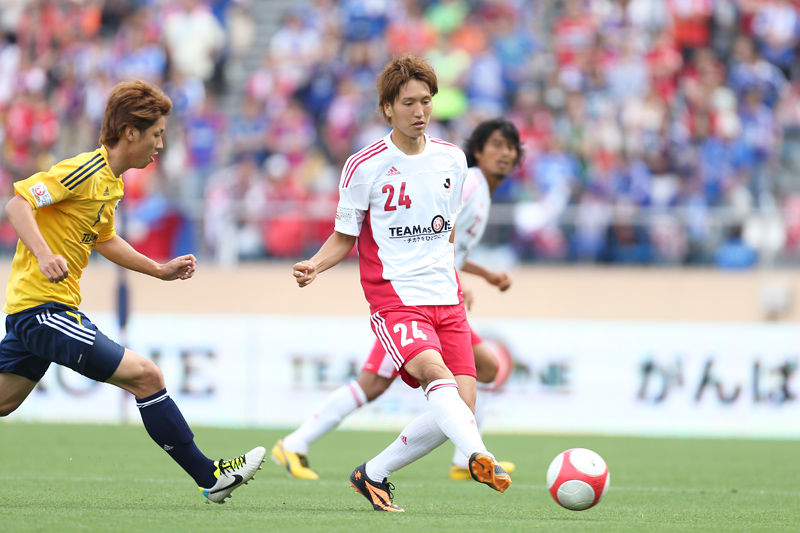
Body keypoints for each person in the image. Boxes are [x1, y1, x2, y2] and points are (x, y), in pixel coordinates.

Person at [0, 79, 265, 504]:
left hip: (37, 310)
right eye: (156, 134)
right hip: (43, 310)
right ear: (129, 132)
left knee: (4, 402)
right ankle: (210, 476)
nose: (160, 144)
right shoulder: (84, 171)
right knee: (147, 376)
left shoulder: (112, 183)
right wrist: (45, 254)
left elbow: (105, 239)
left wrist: (158, 270)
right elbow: (17, 204)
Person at [290, 55, 512, 512]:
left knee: (460, 405)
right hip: (395, 297)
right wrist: (314, 264)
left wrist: (460, 276)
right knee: (434, 375)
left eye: (426, 101)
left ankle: (373, 474)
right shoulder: (363, 165)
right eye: (408, 102)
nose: (419, 111)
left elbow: (447, 231)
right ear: (387, 107)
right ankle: (479, 456)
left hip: (446, 298)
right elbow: (344, 237)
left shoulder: (451, 159)